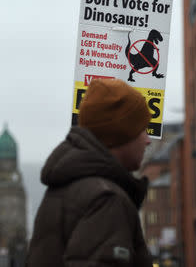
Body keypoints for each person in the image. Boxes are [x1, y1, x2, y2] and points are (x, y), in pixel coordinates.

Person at [26, 78, 153, 267]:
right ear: (120, 133)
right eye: (142, 129)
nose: (148, 140)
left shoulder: (67, 187)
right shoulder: (106, 199)